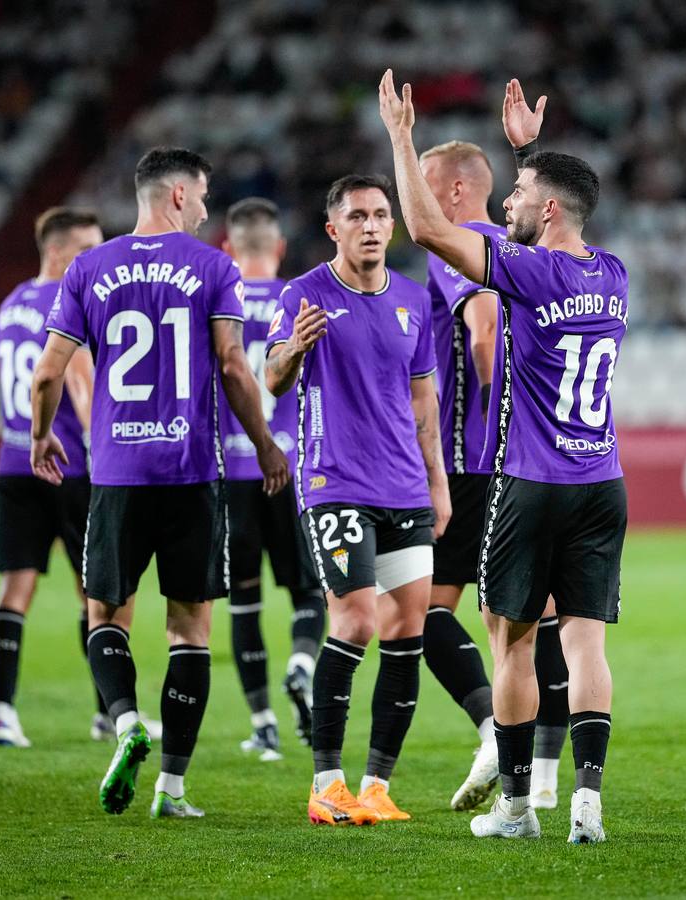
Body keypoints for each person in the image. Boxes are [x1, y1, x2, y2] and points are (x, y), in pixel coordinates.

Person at [381, 72, 628, 843]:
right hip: (603, 481)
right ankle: (585, 798)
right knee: (585, 640)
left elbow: (425, 231)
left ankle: (517, 806)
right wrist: (531, 151)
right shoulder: (613, 277)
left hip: (529, 481)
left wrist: (399, 136)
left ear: (547, 210)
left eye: (519, 192)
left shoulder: (526, 270)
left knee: (510, 639)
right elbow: (563, 196)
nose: (509, 204)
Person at [31, 147, 288, 819]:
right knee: (191, 630)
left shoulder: (90, 268)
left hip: (116, 473)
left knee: (104, 615)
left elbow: (48, 373)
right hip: (192, 472)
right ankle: (172, 789)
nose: (205, 208)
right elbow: (233, 367)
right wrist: (264, 446)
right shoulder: (213, 266)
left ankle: (124, 723)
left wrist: (41, 434)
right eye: (201, 196)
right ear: (176, 196)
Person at [264, 173, 450, 826]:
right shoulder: (303, 295)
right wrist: (294, 347)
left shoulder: (412, 300)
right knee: (356, 622)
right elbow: (273, 378)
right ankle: (324, 783)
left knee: (406, 630)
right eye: (357, 216)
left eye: (380, 215)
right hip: (335, 484)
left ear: (392, 226)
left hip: (404, 487)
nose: (371, 226)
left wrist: (439, 483)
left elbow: (423, 397)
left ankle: (375, 786)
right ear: (333, 228)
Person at [418, 138, 571, 812]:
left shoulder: (464, 244)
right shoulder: (523, 249)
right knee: (536, 615)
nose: (413, 201)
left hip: (470, 463)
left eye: (422, 185)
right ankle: (540, 776)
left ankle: (492, 732)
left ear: (454, 190)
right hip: (527, 462)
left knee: (424, 612)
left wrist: (490, 410)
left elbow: (483, 328)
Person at [0, 207, 106, 747]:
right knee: (96, 594)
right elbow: (77, 382)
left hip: (15, 463)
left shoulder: (11, 304)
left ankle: (3, 714)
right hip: (68, 466)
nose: (96, 261)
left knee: (16, 590)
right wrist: (102, 451)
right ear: (58, 254)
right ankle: (109, 714)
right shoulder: (71, 303)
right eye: (87, 250)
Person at [217, 197, 326, 760]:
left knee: (245, 603)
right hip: (292, 466)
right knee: (309, 589)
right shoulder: (300, 298)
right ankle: (302, 665)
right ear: (279, 247)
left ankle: (262, 724)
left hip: (233, 472)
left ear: (228, 248)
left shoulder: (215, 301)